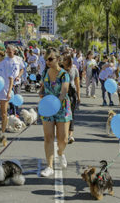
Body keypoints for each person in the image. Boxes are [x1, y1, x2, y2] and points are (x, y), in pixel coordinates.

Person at [39, 48, 72, 177]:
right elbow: (43, 87)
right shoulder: (45, 72)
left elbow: (64, 92)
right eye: (46, 59)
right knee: (48, 137)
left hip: (62, 107)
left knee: (63, 139)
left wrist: (56, 103)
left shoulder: (64, 75)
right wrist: (41, 92)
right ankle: (49, 166)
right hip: (47, 108)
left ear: (58, 59)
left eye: (50, 59)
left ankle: (60, 152)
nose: (48, 61)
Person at [62, 54, 80, 144]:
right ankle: (64, 134)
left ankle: (70, 135)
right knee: (63, 114)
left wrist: (79, 96)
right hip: (62, 94)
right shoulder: (59, 70)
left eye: (65, 59)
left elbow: (77, 83)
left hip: (72, 94)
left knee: (71, 114)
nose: (63, 60)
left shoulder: (74, 69)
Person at [6, 45, 24, 115]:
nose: (8, 53)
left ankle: (16, 111)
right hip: (8, 82)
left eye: (10, 52)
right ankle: (11, 110)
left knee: (16, 96)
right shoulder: (5, 60)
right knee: (10, 96)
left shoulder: (18, 59)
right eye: (7, 52)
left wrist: (19, 76)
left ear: (14, 51)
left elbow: (22, 69)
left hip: (17, 82)